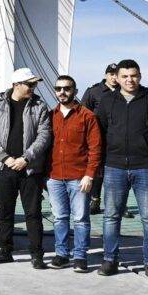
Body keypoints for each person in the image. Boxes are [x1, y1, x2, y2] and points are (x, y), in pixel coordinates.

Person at [94, 58, 148, 280]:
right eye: (125, 76)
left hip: (146, 167)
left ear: (140, 76)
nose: (130, 80)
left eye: (134, 75)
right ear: (116, 78)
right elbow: (99, 133)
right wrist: (99, 164)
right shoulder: (107, 101)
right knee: (111, 216)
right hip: (114, 166)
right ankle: (110, 260)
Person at [0, 68, 53, 268]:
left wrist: (26, 158)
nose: (34, 87)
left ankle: (37, 254)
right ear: (16, 85)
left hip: (29, 168)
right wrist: (4, 158)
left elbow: (44, 135)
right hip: (3, 167)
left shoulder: (39, 105)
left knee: (33, 212)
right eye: (30, 84)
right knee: (5, 211)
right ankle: (4, 250)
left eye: (34, 84)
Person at [46, 75, 102, 272]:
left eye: (67, 88)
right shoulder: (50, 115)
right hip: (54, 176)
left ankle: (80, 256)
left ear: (75, 91)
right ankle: (61, 254)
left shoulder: (87, 116)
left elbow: (95, 149)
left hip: (79, 177)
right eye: (59, 88)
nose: (62, 92)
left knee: (80, 219)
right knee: (60, 217)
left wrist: (89, 175)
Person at [81, 62, 118, 214]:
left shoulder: (125, 91)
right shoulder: (94, 92)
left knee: (117, 172)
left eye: (116, 74)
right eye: (111, 74)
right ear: (106, 75)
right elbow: (83, 113)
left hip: (118, 138)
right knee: (96, 170)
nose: (114, 78)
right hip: (98, 137)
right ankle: (94, 200)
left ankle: (119, 205)